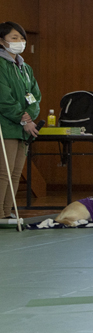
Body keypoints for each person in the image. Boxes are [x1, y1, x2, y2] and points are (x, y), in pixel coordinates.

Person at [0, 21, 40, 220]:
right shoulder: (0, 65)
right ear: (2, 40)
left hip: (23, 128)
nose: (19, 42)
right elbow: (4, 98)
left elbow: (34, 95)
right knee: (3, 173)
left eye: (22, 38)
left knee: (16, 173)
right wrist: (23, 118)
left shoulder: (25, 68)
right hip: (6, 127)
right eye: (14, 38)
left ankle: (7, 213)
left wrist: (30, 115)